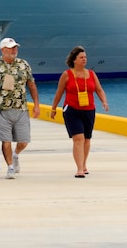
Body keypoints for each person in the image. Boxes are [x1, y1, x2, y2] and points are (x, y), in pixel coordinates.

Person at [0, 38, 40, 179]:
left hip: (21, 108)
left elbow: (31, 84)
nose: (14, 50)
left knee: (24, 141)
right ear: (3, 50)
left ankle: (16, 155)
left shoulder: (23, 65)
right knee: (6, 140)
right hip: (2, 109)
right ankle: (9, 167)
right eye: (11, 48)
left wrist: (36, 104)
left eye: (15, 47)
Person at [50, 46, 109, 178]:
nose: (84, 59)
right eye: (81, 57)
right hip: (72, 110)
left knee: (87, 139)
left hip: (89, 110)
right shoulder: (67, 75)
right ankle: (79, 169)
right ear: (74, 60)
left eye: (85, 57)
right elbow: (59, 93)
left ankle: (84, 164)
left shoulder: (92, 74)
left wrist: (104, 101)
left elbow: (99, 90)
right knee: (78, 138)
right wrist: (53, 108)